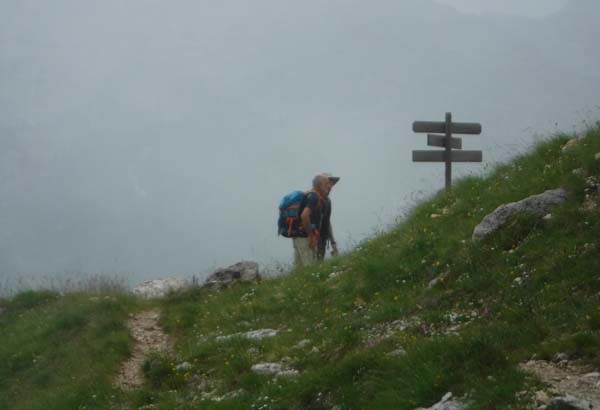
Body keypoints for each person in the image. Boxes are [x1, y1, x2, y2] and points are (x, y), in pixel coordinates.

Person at [293, 173, 339, 268]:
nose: (330, 186)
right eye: (327, 183)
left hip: (307, 237)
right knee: (310, 268)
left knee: (302, 269)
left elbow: (326, 222)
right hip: (307, 238)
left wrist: (332, 242)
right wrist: (311, 237)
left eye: (331, 184)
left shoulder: (326, 201)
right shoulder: (314, 197)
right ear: (319, 184)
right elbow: (304, 216)